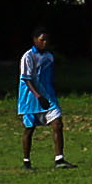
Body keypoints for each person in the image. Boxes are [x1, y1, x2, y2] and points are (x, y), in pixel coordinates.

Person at [16, 31, 69, 170]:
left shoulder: (49, 57)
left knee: (57, 124)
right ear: (35, 40)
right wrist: (38, 96)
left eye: (47, 40)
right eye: (42, 40)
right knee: (29, 129)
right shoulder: (28, 57)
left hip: (48, 97)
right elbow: (26, 79)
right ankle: (26, 161)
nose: (45, 43)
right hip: (31, 99)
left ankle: (59, 159)